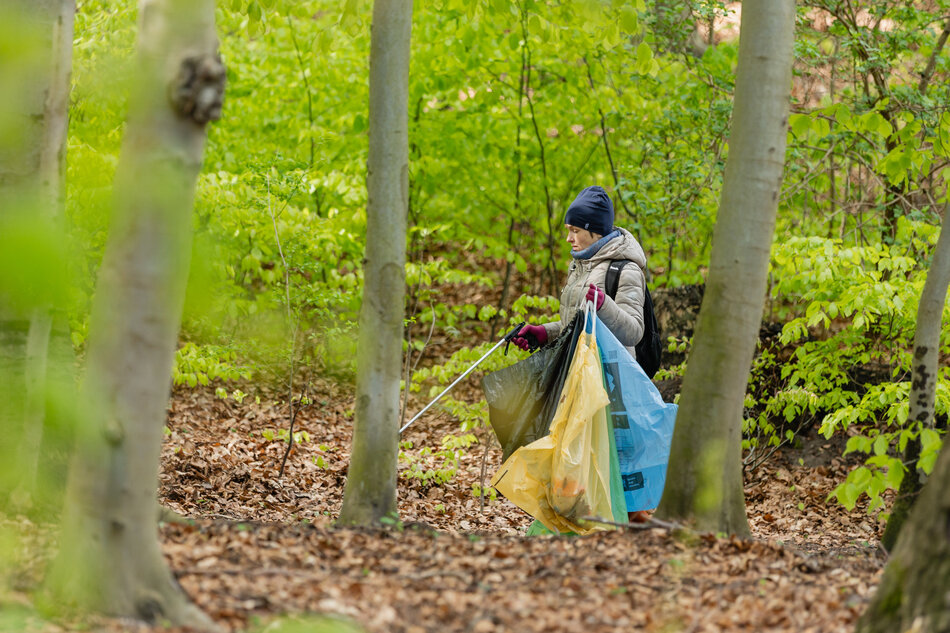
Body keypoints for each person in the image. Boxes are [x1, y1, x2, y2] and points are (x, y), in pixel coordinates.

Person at [511, 184, 653, 524]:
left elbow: (634, 330)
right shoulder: (583, 264)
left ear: (595, 230)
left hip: (609, 382)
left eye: (574, 231)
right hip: (576, 376)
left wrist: (603, 304)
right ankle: (577, 524)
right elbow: (577, 323)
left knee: (612, 459)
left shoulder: (625, 269)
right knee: (573, 455)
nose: (569, 239)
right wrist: (544, 332)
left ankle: (632, 527)